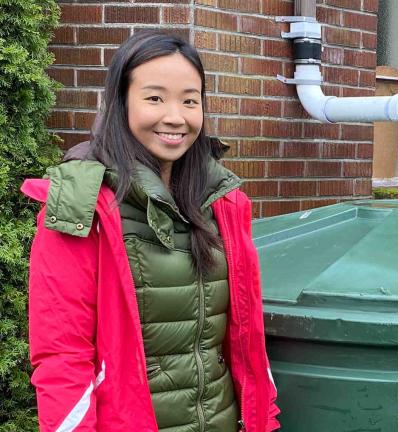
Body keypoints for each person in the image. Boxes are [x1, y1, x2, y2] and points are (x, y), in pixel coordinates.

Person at [21, 31, 279, 431]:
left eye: (190, 100)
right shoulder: (83, 204)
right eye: (155, 98)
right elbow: (62, 355)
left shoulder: (223, 202)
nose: (175, 116)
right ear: (120, 102)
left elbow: (247, 337)